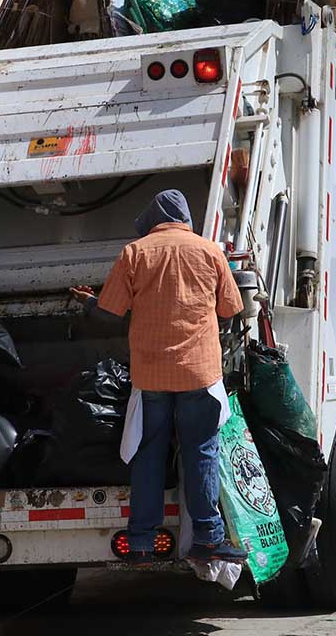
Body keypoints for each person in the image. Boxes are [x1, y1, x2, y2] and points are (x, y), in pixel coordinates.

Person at [70, 189, 245, 565]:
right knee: (201, 452)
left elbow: (109, 314)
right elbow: (232, 309)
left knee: (148, 454)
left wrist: (86, 303)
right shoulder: (210, 251)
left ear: (153, 217)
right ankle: (208, 540)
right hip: (199, 374)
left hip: (150, 376)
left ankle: (141, 542)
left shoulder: (135, 253)